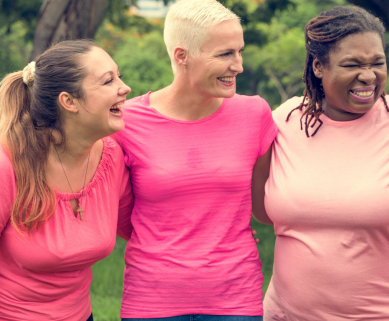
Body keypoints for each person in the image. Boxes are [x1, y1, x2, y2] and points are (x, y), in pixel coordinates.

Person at [251, 6, 389, 320]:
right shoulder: (285, 121)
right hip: (288, 314)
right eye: (352, 64)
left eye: (377, 63)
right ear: (318, 66)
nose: (369, 75)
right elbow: (261, 209)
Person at [0, 39, 133, 320]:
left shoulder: (112, 158)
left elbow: (139, 228)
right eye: (107, 81)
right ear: (69, 101)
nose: (124, 87)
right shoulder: (4, 164)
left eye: (119, 76)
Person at [114, 0, 276, 319]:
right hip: (152, 299)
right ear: (182, 56)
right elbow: (120, 213)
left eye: (239, 51)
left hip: (235, 300)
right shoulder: (126, 121)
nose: (238, 65)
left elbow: (264, 206)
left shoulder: (255, 113)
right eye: (225, 54)